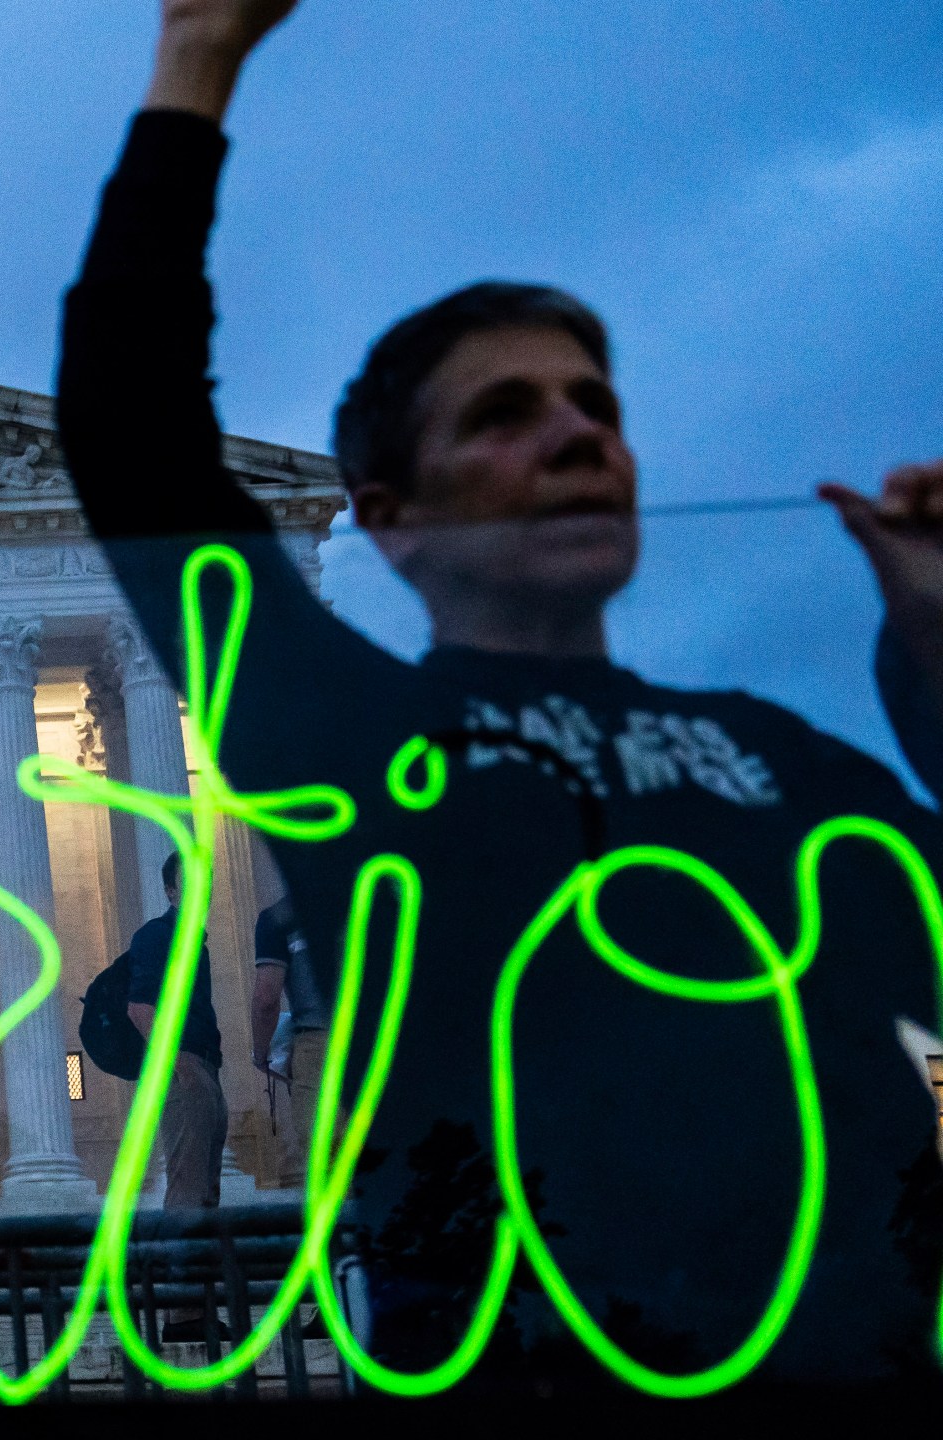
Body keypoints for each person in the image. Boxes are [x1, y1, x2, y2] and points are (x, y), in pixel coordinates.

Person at [61, 0, 943, 1382]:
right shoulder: (353, 737)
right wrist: (195, 69)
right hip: (537, 1368)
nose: (580, 432)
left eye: (596, 404)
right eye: (506, 414)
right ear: (391, 515)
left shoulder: (775, 755)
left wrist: (933, 639)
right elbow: (136, 447)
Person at [121, 851, 228, 1342]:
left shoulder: (194, 942)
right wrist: (181, 1064)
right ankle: (183, 1315)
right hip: (186, 1070)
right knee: (187, 1188)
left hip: (203, 1066)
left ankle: (197, 1306)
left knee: (205, 1188)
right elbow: (139, 1007)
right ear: (170, 891)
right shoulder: (159, 935)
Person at [250, 895, 329, 1191]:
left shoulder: (279, 917)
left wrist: (261, 1053)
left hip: (320, 1045)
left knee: (327, 1161)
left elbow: (266, 998)